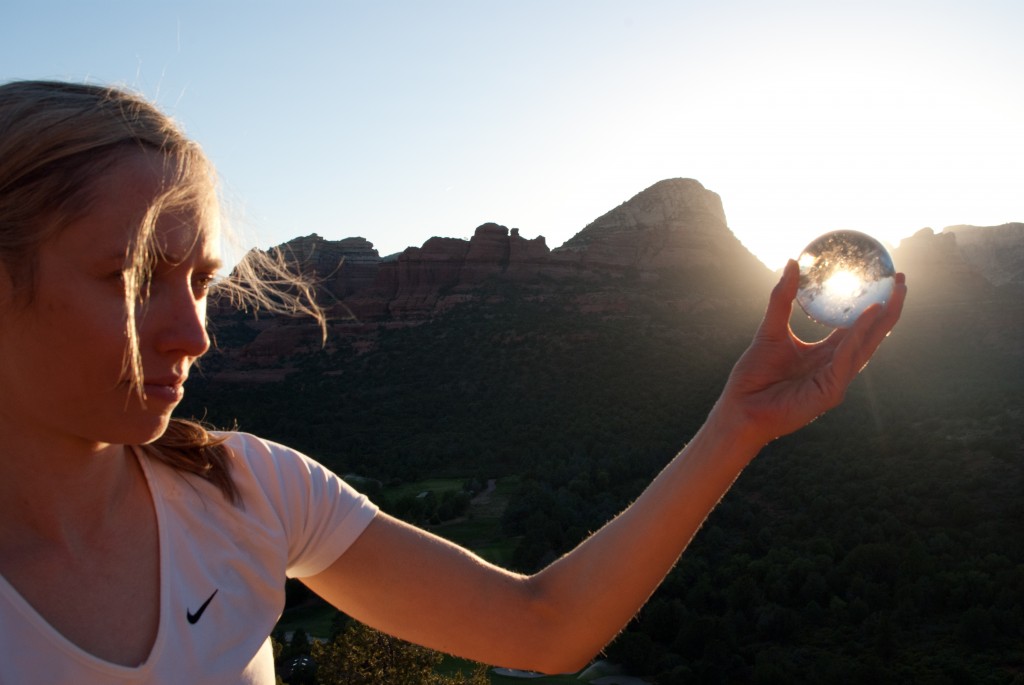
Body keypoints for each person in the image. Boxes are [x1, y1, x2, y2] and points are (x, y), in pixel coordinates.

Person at [0, 80, 907, 684]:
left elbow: (541, 624)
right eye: (129, 278)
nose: (194, 332)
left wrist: (735, 425)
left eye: (200, 281)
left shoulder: (250, 491)